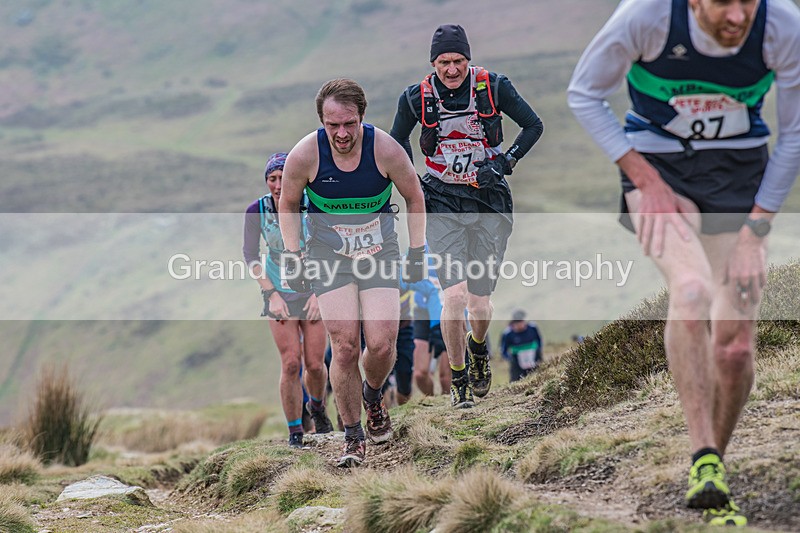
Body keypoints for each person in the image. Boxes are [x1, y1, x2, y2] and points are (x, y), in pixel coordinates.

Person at [568, 0, 800, 526]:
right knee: (692, 291)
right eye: (724, 3)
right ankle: (703, 456)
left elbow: (795, 135)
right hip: (659, 169)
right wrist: (643, 179)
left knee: (736, 345)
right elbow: (583, 94)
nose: (738, 16)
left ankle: (714, 464)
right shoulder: (645, 17)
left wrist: (756, 231)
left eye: (749, 2)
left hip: (740, 173)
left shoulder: (783, 26)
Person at [390, 24, 543, 409]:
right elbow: (395, 144)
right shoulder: (415, 98)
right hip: (441, 200)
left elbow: (533, 125)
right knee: (453, 296)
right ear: (433, 63)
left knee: (479, 304)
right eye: (444, 62)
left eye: (459, 61)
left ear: (468, 60)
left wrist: (506, 162)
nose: (452, 69)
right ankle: (458, 378)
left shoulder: (493, 86)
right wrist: (414, 185)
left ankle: (478, 350)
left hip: (489, 200)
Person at [279, 79, 426, 468]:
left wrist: (416, 251)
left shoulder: (385, 149)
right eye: (333, 126)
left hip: (379, 252)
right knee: (344, 345)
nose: (342, 134)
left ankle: (374, 395)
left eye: (350, 124)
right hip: (329, 255)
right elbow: (288, 203)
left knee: (380, 343)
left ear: (361, 116)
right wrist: (293, 255)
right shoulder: (305, 154)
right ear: (321, 122)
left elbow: (414, 196)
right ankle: (352, 435)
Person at [242, 152, 333, 449]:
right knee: (291, 362)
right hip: (278, 293)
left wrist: (321, 294)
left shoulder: (313, 205)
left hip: (314, 291)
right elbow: (250, 256)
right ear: (266, 181)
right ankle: (295, 431)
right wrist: (271, 295)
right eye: (272, 178)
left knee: (315, 365)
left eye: (283, 177)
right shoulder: (257, 210)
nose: (278, 184)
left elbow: (329, 250)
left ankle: (317, 410)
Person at [499, 309, 543, 382]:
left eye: (521, 322)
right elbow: (503, 349)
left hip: (534, 359)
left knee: (538, 378)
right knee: (516, 381)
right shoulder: (508, 334)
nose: (520, 325)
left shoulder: (532, 328)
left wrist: (538, 350)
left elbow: (539, 340)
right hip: (517, 363)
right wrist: (510, 359)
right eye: (517, 323)